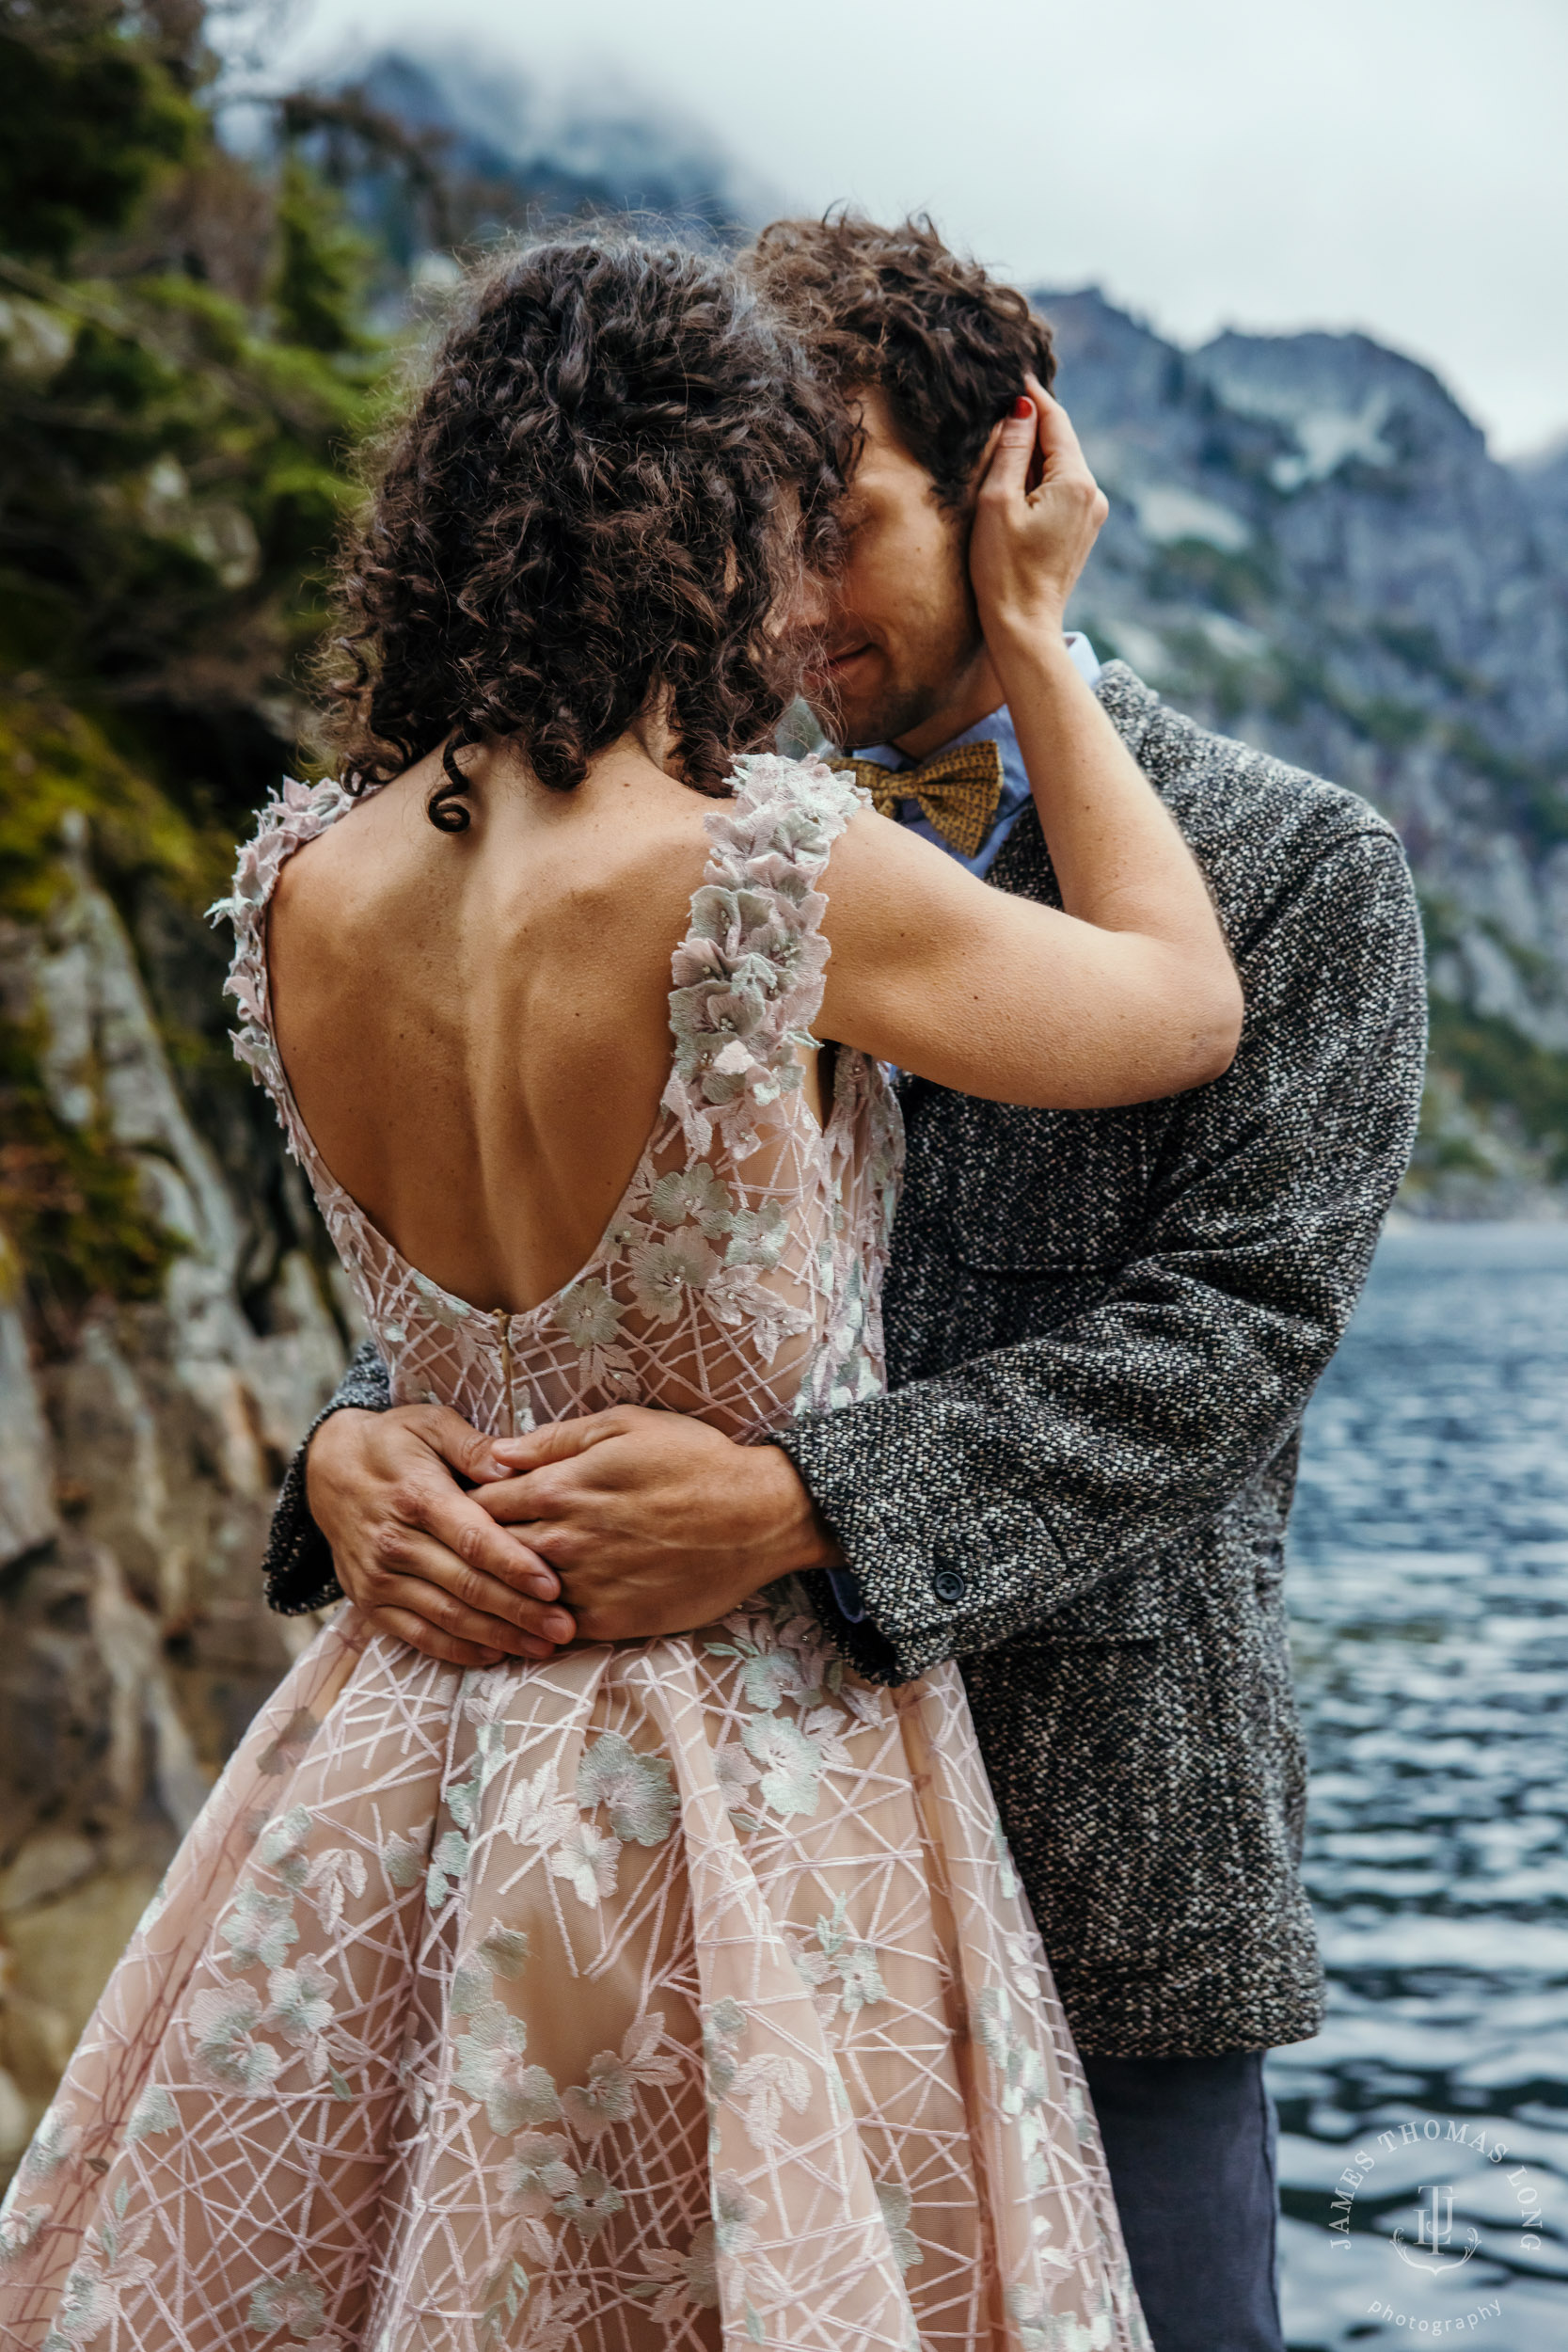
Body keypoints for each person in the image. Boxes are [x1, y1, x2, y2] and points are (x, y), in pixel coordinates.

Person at [0, 230, 1246, 2350]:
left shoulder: (302, 881)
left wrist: (349, 1433)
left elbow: (412, 1334)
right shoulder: (767, 862)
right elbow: (1177, 1003)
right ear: (713, 519)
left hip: (406, 1737)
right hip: (741, 1761)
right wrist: (1035, 630)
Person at [277, 218, 1429, 2352]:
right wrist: (346, 1442)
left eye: (848, 516)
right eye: (756, 517)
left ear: (1012, 483)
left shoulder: (1300, 871)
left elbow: (1234, 1336)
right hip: (654, 1848)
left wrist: (813, 1501)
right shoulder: (710, 834)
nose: (790, 595)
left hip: (1098, 1860)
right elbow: (585, 1252)